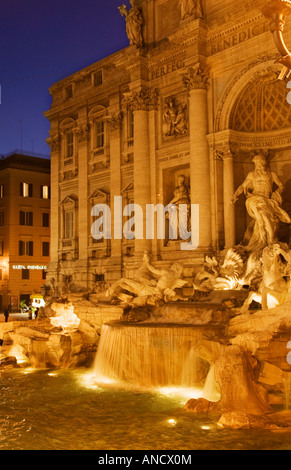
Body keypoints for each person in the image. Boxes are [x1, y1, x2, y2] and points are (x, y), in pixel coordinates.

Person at [232, 153, 291, 253]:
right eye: (256, 164)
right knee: (263, 216)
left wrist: (277, 192)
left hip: (267, 200)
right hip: (254, 199)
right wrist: (235, 195)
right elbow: (242, 186)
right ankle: (271, 242)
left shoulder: (272, 174)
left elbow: (281, 186)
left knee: (264, 219)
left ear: (264, 163)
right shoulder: (251, 174)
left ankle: (263, 241)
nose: (258, 166)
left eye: (259, 163)